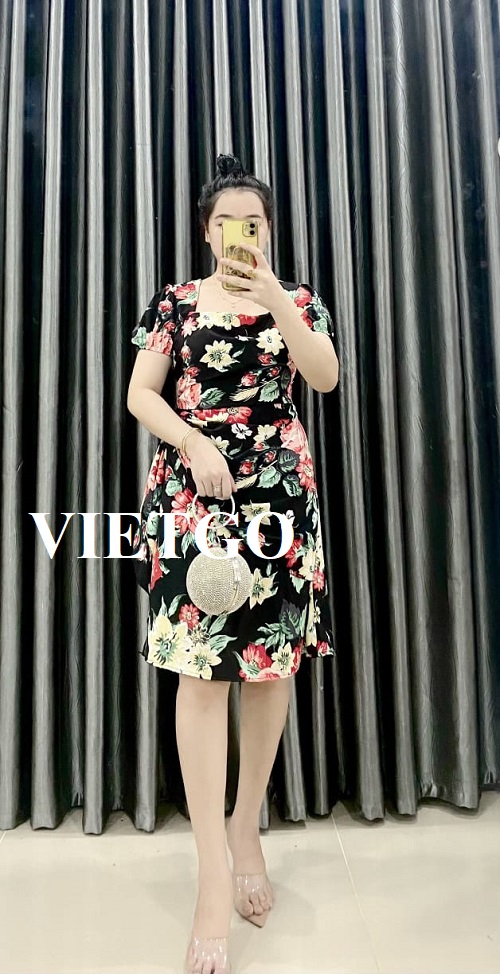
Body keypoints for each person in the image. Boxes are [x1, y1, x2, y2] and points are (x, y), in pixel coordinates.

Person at [127, 153, 339, 974]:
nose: (239, 234)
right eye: (226, 223)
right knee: (202, 673)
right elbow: (141, 394)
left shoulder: (300, 300)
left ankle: (247, 823)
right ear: (206, 232)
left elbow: (324, 377)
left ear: (268, 232)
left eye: (253, 223)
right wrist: (192, 440)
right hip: (194, 498)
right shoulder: (176, 303)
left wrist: (277, 296)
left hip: (279, 497)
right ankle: (212, 873)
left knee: (270, 666)